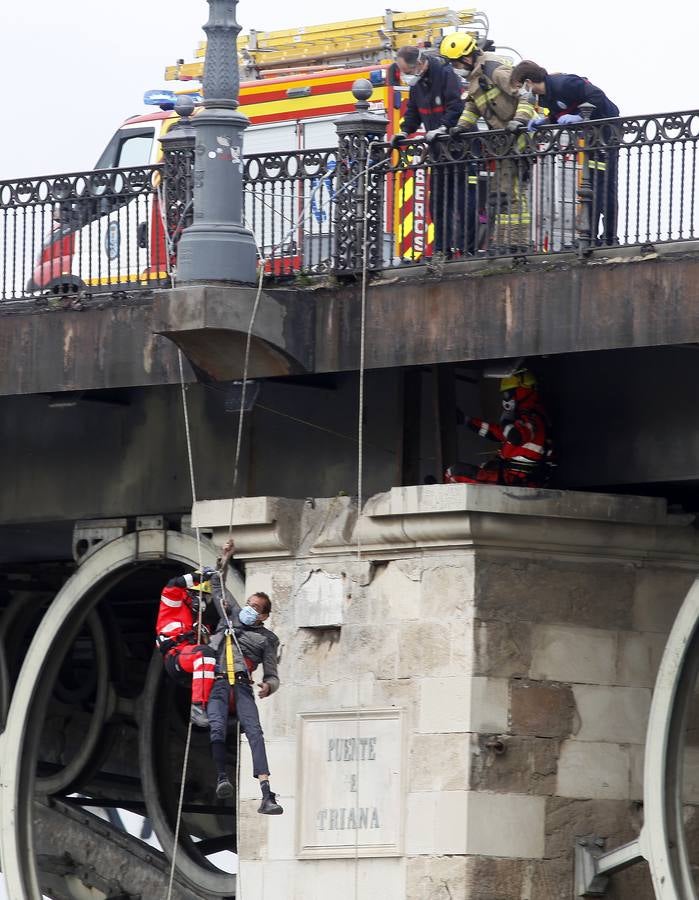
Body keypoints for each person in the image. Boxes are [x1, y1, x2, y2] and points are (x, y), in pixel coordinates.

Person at [206, 538, 283, 815]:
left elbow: (273, 674)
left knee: (254, 732)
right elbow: (216, 584)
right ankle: (221, 777)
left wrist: (268, 686)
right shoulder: (232, 616)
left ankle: (266, 791)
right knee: (215, 727)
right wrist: (225, 557)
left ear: (263, 616)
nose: (249, 608)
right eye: (248, 603)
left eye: (255, 607)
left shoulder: (266, 640)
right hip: (217, 682)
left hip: (241, 685)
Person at [443, 33, 536, 252]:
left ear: (466, 58)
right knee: (500, 193)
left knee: (513, 194)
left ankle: (517, 243)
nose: (455, 68)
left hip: (517, 140)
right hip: (502, 143)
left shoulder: (494, 70)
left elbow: (527, 96)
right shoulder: (475, 78)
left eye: (455, 63)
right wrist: (461, 127)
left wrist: (519, 121)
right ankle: (504, 242)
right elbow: (473, 107)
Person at [510, 60, 620, 246]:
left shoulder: (564, 84)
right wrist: (544, 122)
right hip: (592, 135)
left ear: (529, 81)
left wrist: (579, 116)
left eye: (522, 87)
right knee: (591, 187)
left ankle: (609, 238)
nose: (522, 92)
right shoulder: (547, 97)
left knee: (604, 187)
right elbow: (558, 115)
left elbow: (597, 96)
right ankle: (590, 236)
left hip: (606, 132)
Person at [391, 45, 474, 263]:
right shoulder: (418, 85)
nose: (406, 76)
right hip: (438, 151)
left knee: (463, 202)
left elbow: (456, 106)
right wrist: (404, 132)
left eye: (407, 71)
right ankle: (442, 250)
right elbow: (413, 113)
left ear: (419, 63)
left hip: (459, 148)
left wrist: (443, 128)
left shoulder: (445, 75)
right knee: (437, 203)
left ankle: (466, 250)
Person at [445, 369, 553, 487]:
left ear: (524, 389)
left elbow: (516, 436)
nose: (506, 398)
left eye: (509, 392)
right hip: (511, 478)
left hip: (516, 481)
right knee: (482, 467)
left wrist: (506, 418)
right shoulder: (526, 417)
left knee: (454, 473)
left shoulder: (532, 419)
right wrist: (467, 421)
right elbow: (497, 433)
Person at [155, 566, 218, 728]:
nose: (203, 602)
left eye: (207, 598)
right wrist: (198, 577)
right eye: (201, 596)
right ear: (191, 593)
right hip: (176, 658)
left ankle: (227, 712)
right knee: (204, 654)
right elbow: (174, 584)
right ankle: (198, 708)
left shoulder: (199, 621)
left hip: (190, 665)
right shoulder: (174, 603)